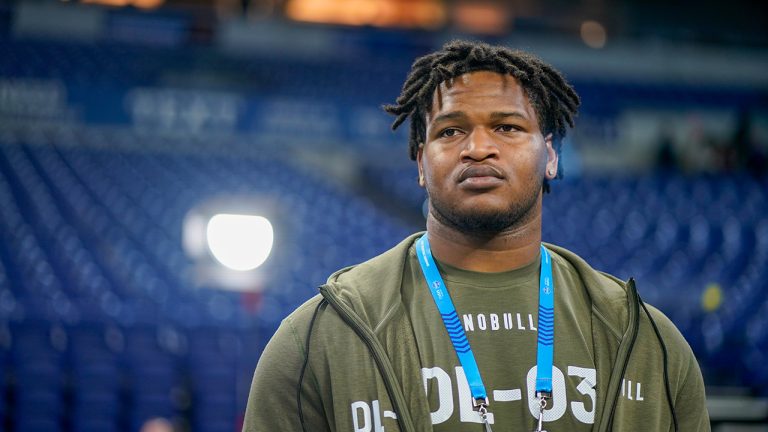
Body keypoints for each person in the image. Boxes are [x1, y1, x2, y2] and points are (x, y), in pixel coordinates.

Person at [243, 40, 709, 431]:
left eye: (507, 127)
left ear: (550, 157)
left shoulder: (646, 341)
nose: (479, 148)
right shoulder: (321, 337)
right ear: (421, 163)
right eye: (451, 131)